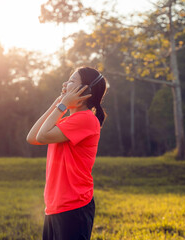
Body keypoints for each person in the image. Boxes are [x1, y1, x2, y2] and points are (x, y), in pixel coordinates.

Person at [26, 67, 107, 240]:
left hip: (73, 206)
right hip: (56, 205)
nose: (65, 84)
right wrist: (58, 102)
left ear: (84, 90)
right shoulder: (68, 121)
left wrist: (62, 105)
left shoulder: (85, 119)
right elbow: (32, 137)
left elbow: (42, 135)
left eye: (71, 81)